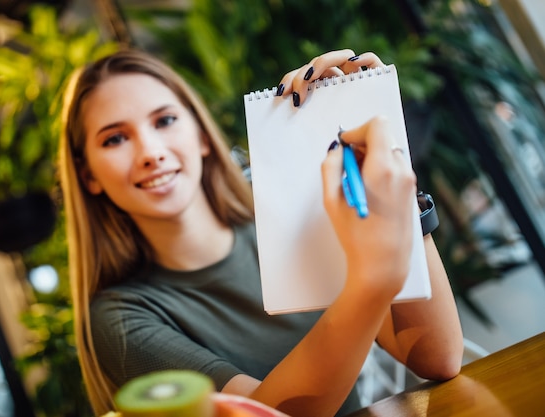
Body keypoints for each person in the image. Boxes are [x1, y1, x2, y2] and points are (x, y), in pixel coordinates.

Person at [58, 48, 464, 417]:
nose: (150, 152)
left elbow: (437, 357)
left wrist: (389, 165)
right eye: (115, 138)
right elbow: (262, 414)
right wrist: (371, 280)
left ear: (200, 134)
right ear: (88, 175)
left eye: (164, 120)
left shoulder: (286, 215)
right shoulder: (119, 319)